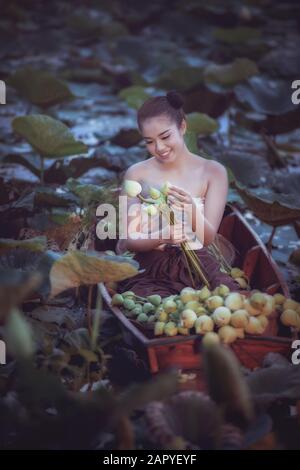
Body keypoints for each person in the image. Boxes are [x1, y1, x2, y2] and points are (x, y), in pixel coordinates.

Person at [117, 91, 239, 297]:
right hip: (150, 263)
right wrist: (163, 236)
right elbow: (130, 240)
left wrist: (190, 208)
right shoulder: (136, 173)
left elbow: (207, 239)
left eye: (165, 136)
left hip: (199, 260)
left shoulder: (213, 172)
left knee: (227, 298)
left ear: (182, 126)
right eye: (149, 141)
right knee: (153, 307)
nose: (159, 147)